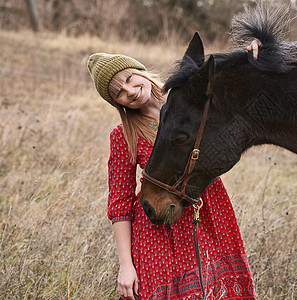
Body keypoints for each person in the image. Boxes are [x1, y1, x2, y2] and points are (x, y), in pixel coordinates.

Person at [87, 43, 259, 300]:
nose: (130, 91)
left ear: (140, 70)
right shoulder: (124, 135)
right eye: (119, 93)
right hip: (160, 234)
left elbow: (232, 88)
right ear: (116, 103)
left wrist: (252, 56)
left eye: (129, 79)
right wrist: (126, 265)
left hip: (211, 215)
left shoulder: (190, 102)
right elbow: (120, 204)